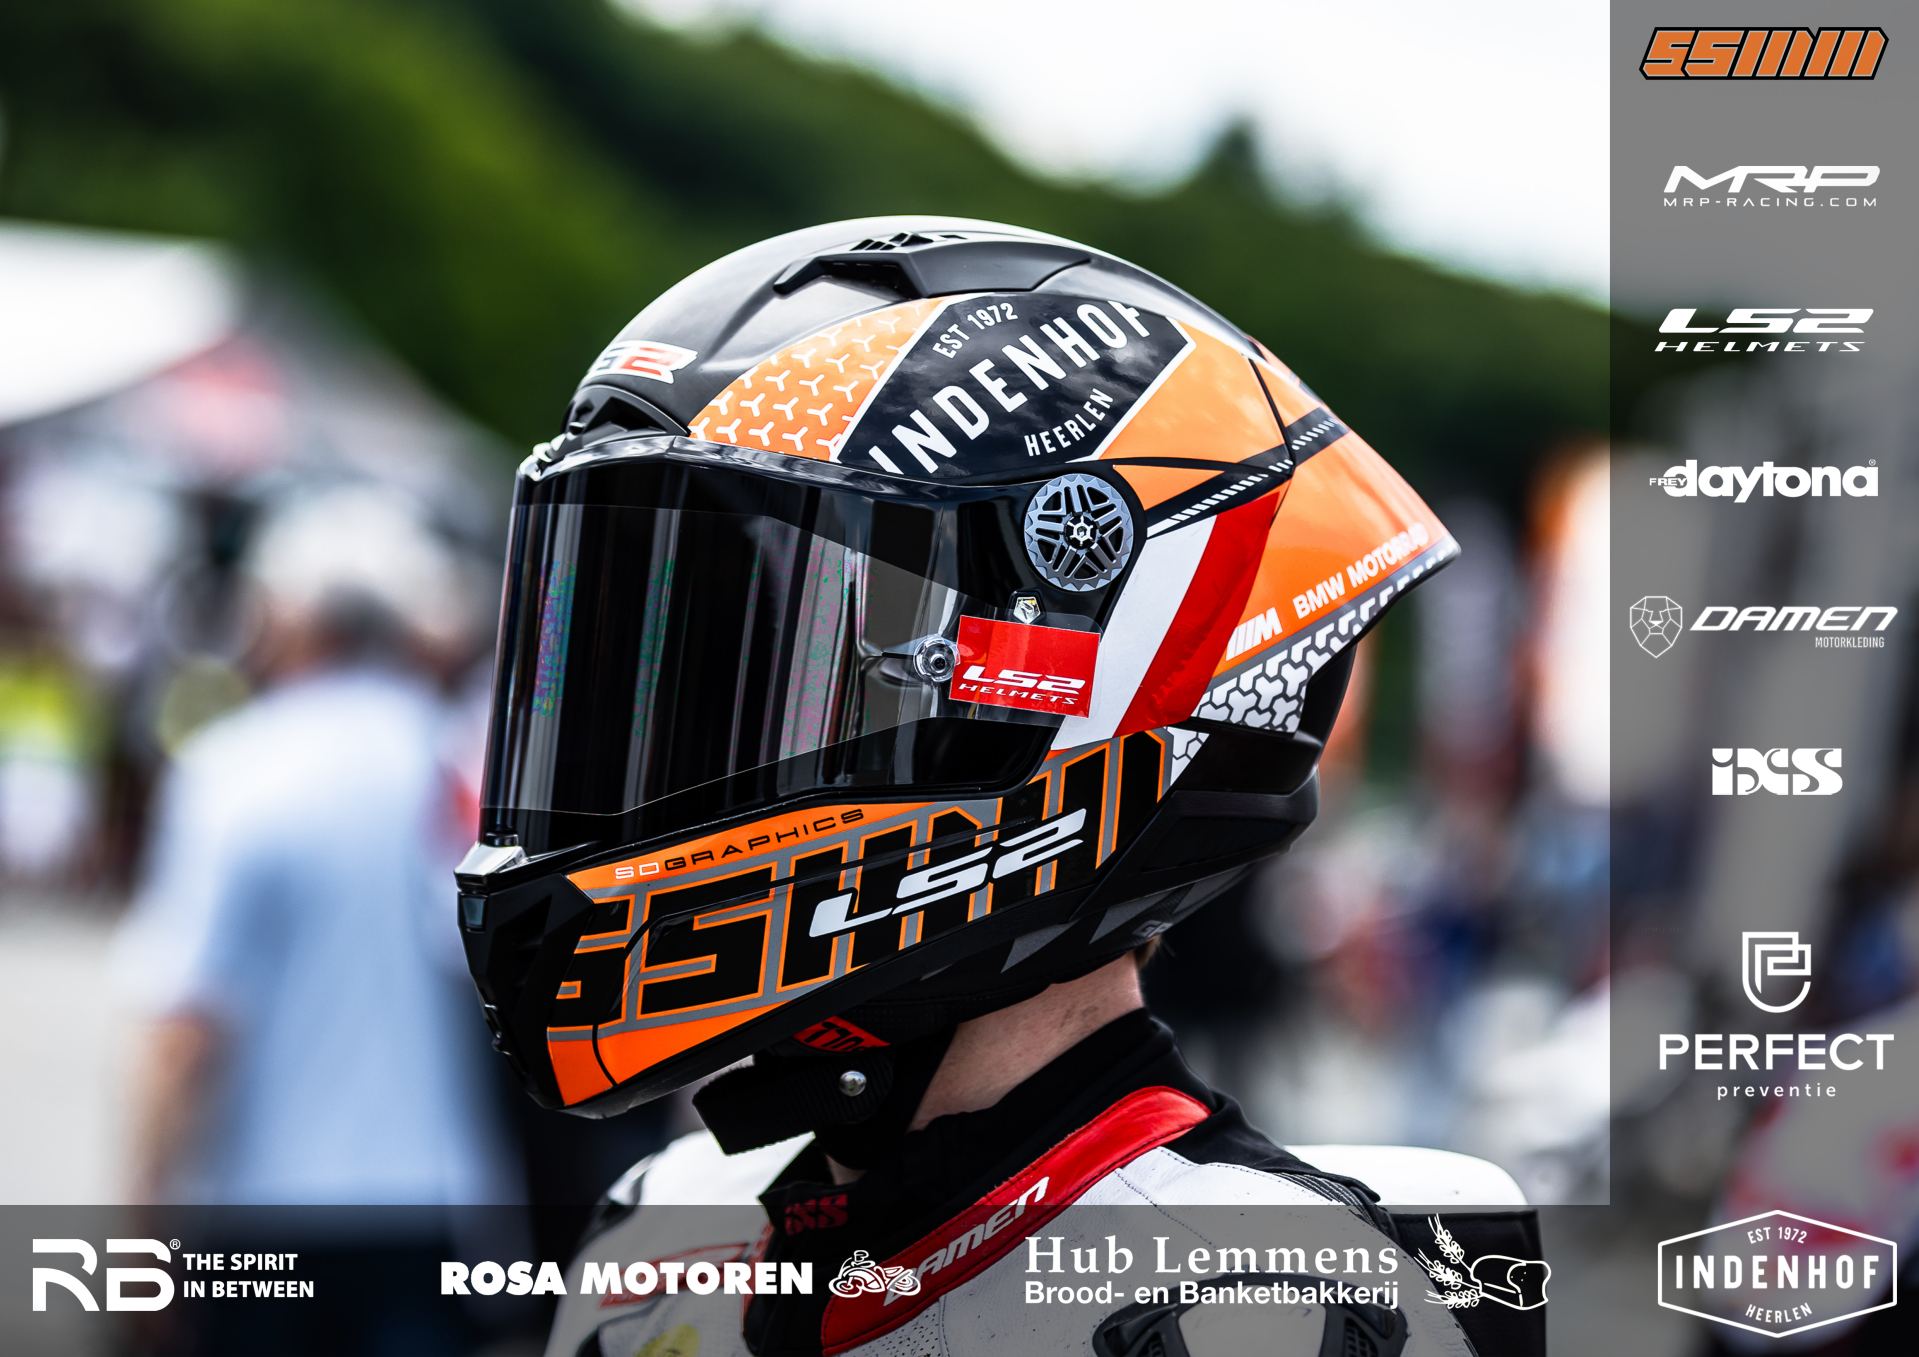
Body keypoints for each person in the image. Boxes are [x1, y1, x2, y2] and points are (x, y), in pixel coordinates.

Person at [455, 218, 1540, 1356]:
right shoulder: (661, 1235)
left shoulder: (1243, 1303)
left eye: (755, 683)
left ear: (1064, 697)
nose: (671, 753)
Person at [114, 485, 518, 1351]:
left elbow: (185, 1026)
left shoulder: (237, 770)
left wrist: (141, 1235)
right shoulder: (465, 771)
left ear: (288, 617)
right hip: (435, 1208)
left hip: (262, 1207)